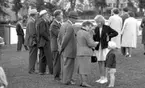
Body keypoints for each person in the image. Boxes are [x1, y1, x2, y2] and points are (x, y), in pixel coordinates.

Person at [93, 15, 118, 84]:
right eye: (96, 22)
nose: (97, 23)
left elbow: (116, 33)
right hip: (98, 47)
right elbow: (94, 38)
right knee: (99, 62)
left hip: (105, 47)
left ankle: (106, 78)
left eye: (98, 22)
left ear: (102, 21)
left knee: (105, 62)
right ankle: (101, 77)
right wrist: (93, 35)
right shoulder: (96, 28)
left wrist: (109, 36)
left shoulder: (107, 28)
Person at [76, 21, 98, 87]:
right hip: (85, 52)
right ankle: (84, 82)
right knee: (85, 69)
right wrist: (96, 43)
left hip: (79, 51)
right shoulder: (86, 33)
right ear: (87, 25)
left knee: (81, 68)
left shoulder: (78, 32)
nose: (90, 28)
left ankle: (82, 82)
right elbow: (90, 44)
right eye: (90, 27)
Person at [60, 11, 78, 85]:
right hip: (69, 49)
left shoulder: (63, 25)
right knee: (68, 66)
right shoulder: (70, 26)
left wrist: (61, 47)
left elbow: (60, 37)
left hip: (65, 49)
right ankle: (66, 80)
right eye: (75, 18)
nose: (76, 20)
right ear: (71, 18)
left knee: (65, 65)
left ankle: (66, 79)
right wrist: (62, 48)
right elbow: (66, 39)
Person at [36, 10, 53, 75]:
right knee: (49, 56)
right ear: (43, 15)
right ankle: (52, 71)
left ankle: (42, 71)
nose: (47, 15)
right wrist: (48, 38)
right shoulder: (42, 22)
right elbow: (42, 32)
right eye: (46, 14)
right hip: (45, 41)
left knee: (42, 56)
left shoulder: (41, 21)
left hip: (41, 42)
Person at [50, 10, 63, 81]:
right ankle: (56, 76)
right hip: (55, 46)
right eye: (61, 15)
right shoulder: (54, 25)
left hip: (58, 46)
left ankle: (58, 75)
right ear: (57, 16)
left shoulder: (59, 24)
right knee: (56, 62)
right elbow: (59, 34)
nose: (62, 16)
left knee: (58, 61)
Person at [25, 9, 38, 74]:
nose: (37, 15)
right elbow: (32, 33)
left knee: (32, 55)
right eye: (36, 14)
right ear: (34, 15)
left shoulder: (31, 21)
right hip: (32, 41)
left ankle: (32, 69)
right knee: (32, 56)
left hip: (31, 41)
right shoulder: (31, 22)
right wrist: (36, 37)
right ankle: (31, 70)